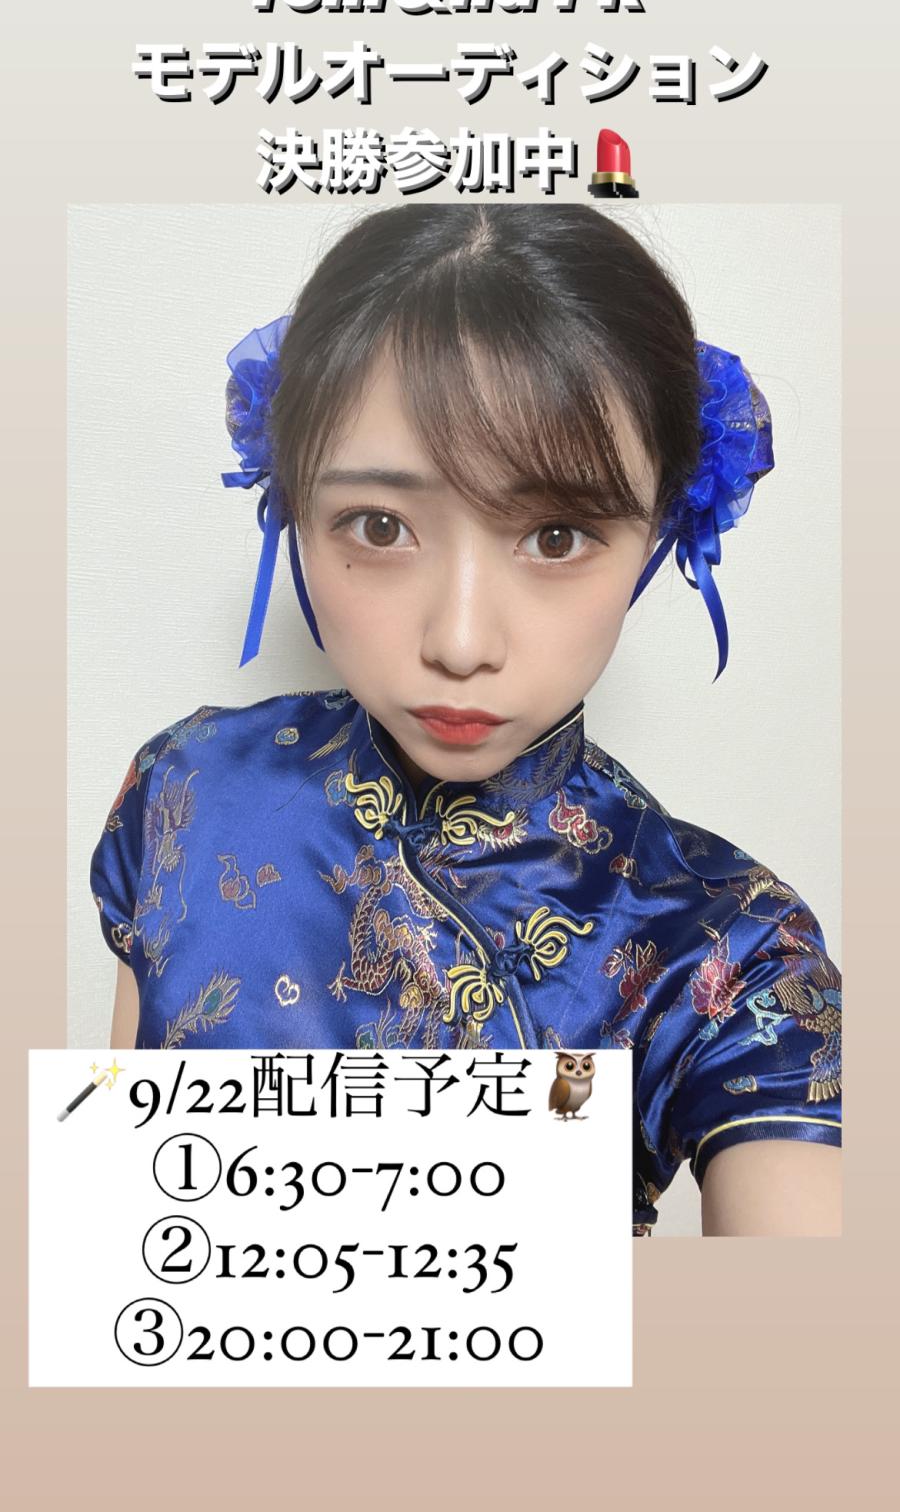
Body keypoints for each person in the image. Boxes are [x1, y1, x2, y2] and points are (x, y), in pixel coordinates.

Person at [89, 203, 842, 1236]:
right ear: (292, 503)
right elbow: (121, 1222)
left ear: (665, 527)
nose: (459, 640)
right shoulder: (189, 786)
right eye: (379, 525)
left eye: (557, 534)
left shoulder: (726, 944)